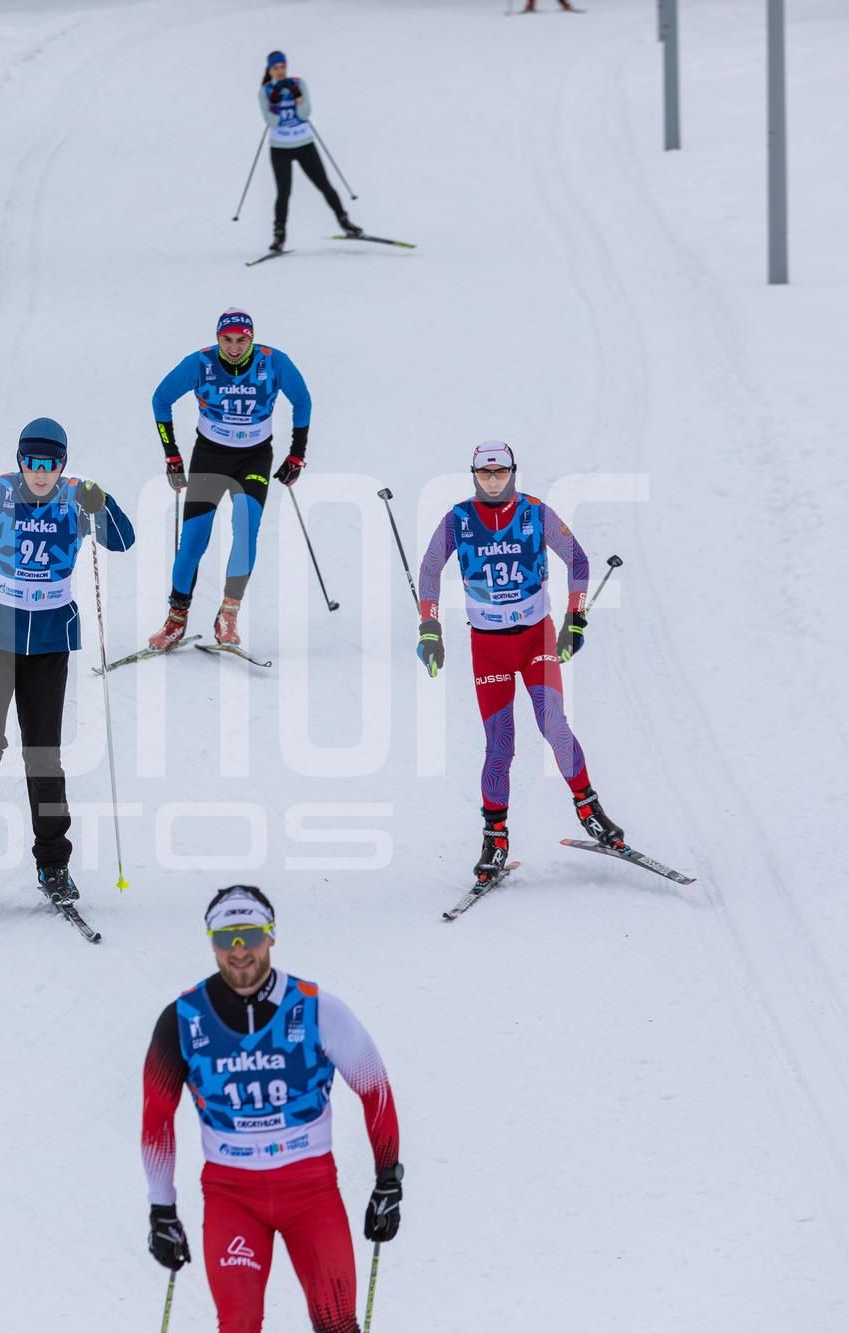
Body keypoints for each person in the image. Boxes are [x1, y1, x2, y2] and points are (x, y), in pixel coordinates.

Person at [140, 886, 403, 1333]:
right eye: (226, 939)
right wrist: (161, 1209)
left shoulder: (318, 1008)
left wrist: (387, 1182)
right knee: (238, 1324)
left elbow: (375, 1089)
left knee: (337, 1323)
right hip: (231, 1195)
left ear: (271, 936)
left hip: (311, 1191)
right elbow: (156, 1117)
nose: (239, 951)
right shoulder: (182, 1019)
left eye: (249, 935)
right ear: (212, 942)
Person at [0, 418, 136, 904]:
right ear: (19, 460)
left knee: (42, 754)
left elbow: (123, 541)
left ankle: (53, 864)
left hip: (48, 640)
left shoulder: (75, 496)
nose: (40, 473)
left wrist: (104, 504)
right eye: (31, 462)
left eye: (49, 464)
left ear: (62, 464)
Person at [414, 442, 626, 886]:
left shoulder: (535, 512)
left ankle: (590, 812)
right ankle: (495, 838)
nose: (493, 479)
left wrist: (577, 619)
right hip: (487, 646)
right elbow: (431, 569)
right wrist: (429, 630)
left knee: (553, 723)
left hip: (535, 639)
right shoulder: (459, 519)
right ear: (473, 474)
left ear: (514, 472)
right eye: (485, 473)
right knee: (500, 744)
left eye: (501, 472)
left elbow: (579, 561)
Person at [145, 308, 311, 651]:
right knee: (193, 539)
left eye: (241, 340)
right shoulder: (200, 363)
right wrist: (172, 455)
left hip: (254, 457)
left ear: (252, 337)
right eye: (227, 340)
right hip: (210, 456)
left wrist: (296, 453)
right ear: (217, 338)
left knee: (246, 527)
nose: (234, 348)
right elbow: (161, 399)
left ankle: (228, 615)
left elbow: (303, 401)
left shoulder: (273, 362)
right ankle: (176, 619)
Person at [259, 51, 360, 255]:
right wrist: (276, 101)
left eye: (282, 67)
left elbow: (305, 115)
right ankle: (279, 236)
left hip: (304, 144)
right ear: (269, 70)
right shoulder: (266, 92)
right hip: (280, 149)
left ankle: (345, 221)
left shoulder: (298, 83)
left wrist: (296, 95)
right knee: (284, 193)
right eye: (275, 68)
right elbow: (272, 122)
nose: (280, 71)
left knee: (324, 184)